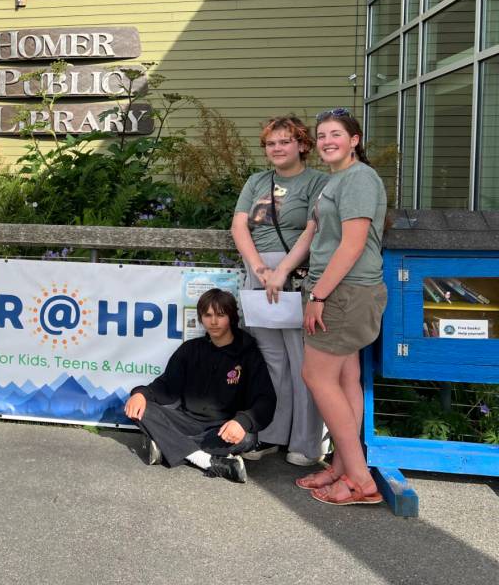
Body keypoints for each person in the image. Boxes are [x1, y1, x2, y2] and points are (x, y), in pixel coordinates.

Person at [298, 108, 387, 506]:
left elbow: (352, 245)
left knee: (316, 376)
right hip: (341, 289)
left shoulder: (359, 178)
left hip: (345, 292)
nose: (327, 141)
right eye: (321, 135)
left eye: (336, 134)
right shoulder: (336, 180)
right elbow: (318, 236)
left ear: (354, 140)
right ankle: (342, 467)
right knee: (347, 378)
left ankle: (361, 481)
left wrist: (318, 296)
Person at [231, 115, 328, 467]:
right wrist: (259, 269)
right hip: (259, 277)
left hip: (297, 277)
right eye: (271, 143)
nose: (277, 148)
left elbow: (314, 229)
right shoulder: (256, 181)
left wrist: (282, 270)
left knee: (303, 361)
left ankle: (307, 442)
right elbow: (239, 225)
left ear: (302, 144)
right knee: (270, 360)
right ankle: (271, 433)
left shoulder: (318, 181)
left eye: (285, 141)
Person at [123, 288, 276, 484]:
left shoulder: (249, 354)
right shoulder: (190, 349)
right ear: (201, 318)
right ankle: (206, 460)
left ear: (231, 317)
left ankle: (166, 445)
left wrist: (242, 422)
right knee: (138, 409)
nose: (214, 321)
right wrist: (140, 394)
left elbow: (265, 399)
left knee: (247, 439)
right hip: (185, 422)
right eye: (208, 315)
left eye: (220, 315)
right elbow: (165, 386)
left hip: (222, 427)